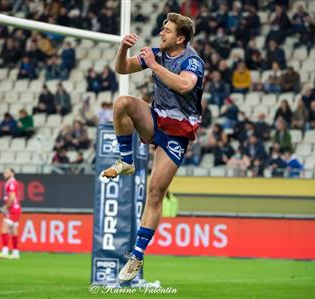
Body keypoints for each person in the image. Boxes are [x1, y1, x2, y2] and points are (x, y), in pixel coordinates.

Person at [100, 13, 204, 281]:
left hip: (177, 132)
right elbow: (121, 69)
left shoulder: (192, 60)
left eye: (167, 31)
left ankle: (136, 256)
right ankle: (126, 160)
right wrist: (123, 48)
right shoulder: (157, 54)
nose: (161, 34)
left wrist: (153, 66)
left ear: (180, 38)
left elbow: (184, 85)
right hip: (157, 119)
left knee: (155, 193)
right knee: (122, 102)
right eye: (162, 29)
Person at [0, 168, 21, 259]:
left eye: (6, 172)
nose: (4, 174)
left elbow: (12, 197)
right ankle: (15, 252)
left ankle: (5, 251)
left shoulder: (11, 183)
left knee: (4, 228)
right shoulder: (12, 182)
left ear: (12, 173)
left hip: (12, 209)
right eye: (4, 172)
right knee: (13, 229)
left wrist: (6, 207)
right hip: (16, 209)